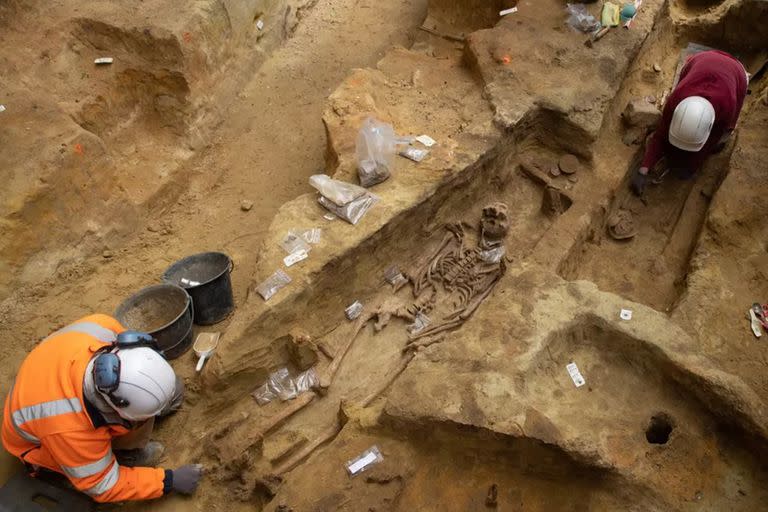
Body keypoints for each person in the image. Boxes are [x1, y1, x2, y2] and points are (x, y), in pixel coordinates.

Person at [2, 314, 202, 503]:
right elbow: (103, 486)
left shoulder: (104, 328)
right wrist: (167, 481)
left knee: (169, 392)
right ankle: (126, 455)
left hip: (51, 373)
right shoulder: (69, 430)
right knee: (88, 479)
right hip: (39, 444)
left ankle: (136, 427)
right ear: (116, 408)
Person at [630, 50, 748, 196]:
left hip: (736, 71)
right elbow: (661, 133)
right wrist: (643, 169)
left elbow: (710, 141)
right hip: (700, 59)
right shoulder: (676, 100)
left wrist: (691, 166)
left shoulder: (727, 106)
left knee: (723, 137)